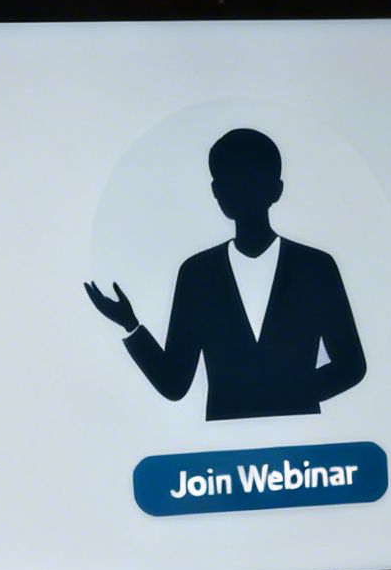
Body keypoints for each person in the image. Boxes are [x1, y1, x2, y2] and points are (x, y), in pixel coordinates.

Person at [85, 128, 366, 421]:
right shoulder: (197, 274)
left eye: (250, 179)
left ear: (275, 189)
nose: (239, 191)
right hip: (219, 456)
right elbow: (174, 382)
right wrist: (130, 325)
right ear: (216, 190)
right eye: (229, 180)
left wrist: (285, 393)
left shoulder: (315, 268)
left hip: (299, 450)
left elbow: (351, 366)